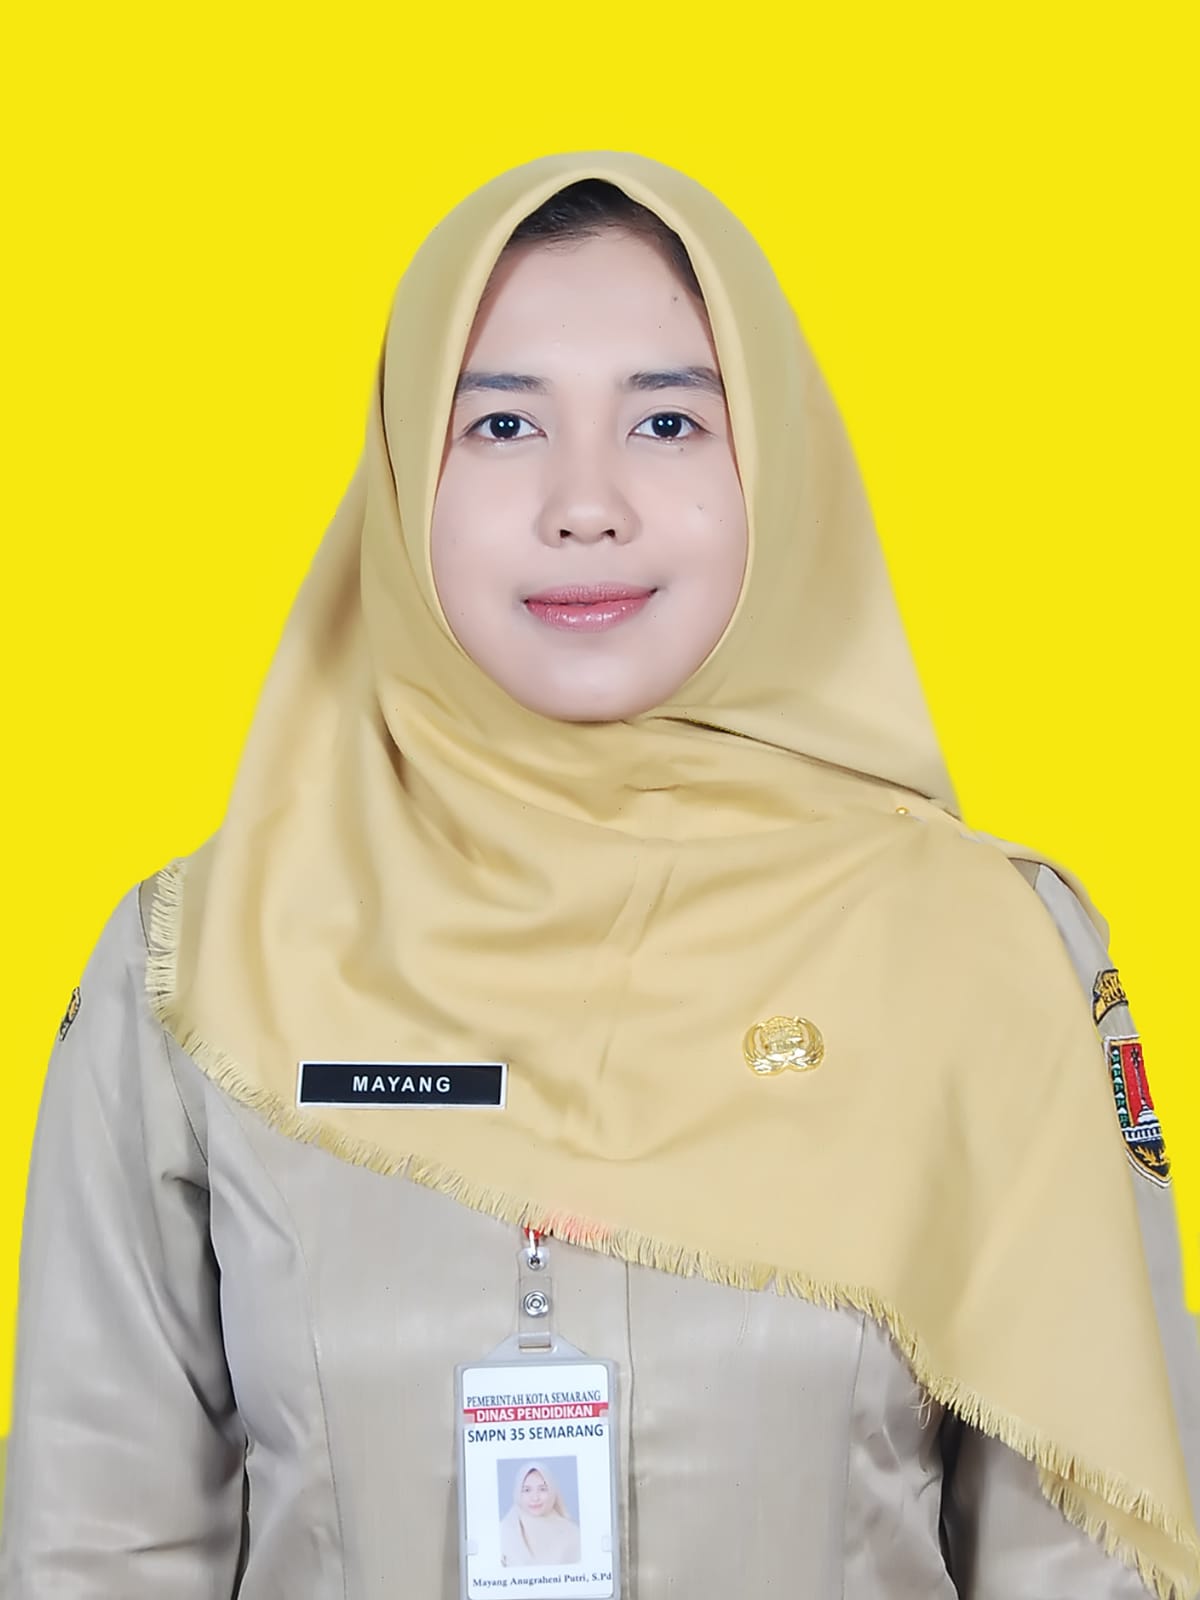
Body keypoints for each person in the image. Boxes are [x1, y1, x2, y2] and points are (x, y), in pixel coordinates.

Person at [1, 151, 1198, 1598]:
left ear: (776, 468)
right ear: (403, 474)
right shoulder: (204, 967)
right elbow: (97, 1545)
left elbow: (1091, 1558)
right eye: (502, 422)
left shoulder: (978, 952)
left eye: (669, 420)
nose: (586, 504)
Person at [499, 1462, 582, 1568]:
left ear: (552, 1491)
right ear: (518, 1493)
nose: (535, 1498)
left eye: (542, 1489)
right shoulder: (504, 1531)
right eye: (527, 1490)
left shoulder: (571, 1532)